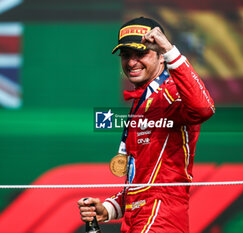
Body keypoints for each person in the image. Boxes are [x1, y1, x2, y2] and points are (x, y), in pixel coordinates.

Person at [78, 17, 215, 233]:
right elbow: (141, 183)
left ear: (161, 57)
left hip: (161, 218)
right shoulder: (140, 103)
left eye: (141, 54)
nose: (131, 62)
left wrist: (171, 50)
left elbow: (204, 109)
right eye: (126, 55)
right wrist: (107, 209)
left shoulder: (170, 91)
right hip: (138, 219)